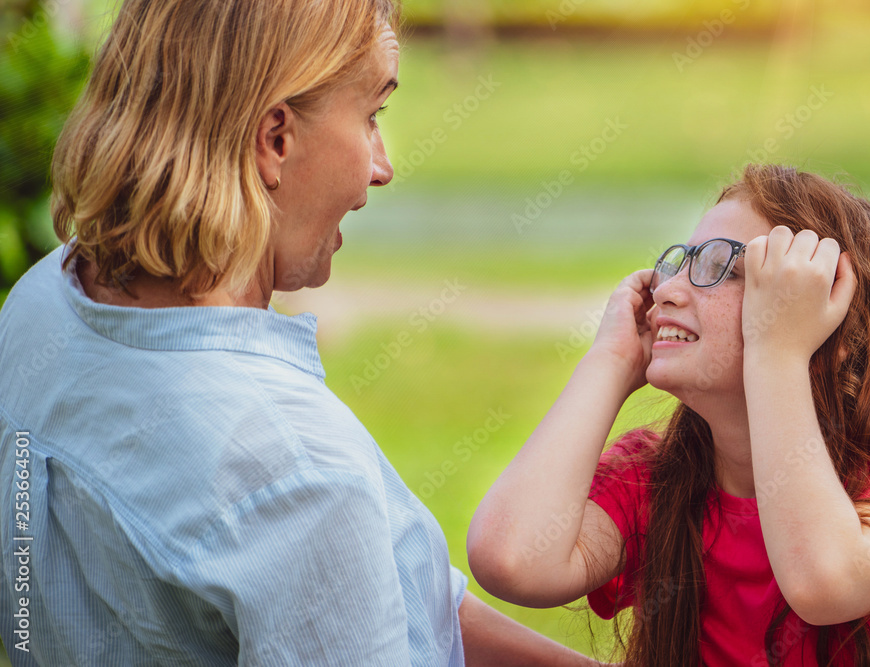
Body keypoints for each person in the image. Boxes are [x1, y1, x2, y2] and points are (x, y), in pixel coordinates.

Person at [0, 0, 598, 664]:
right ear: (274, 138)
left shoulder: (42, 302)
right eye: (372, 115)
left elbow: (418, 603)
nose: (381, 166)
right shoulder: (297, 474)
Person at [467, 164, 870, 666]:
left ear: (835, 331)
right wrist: (610, 360)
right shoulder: (656, 478)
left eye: (724, 266)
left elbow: (824, 583)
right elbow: (512, 560)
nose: (667, 290)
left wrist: (777, 352)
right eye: (681, 261)